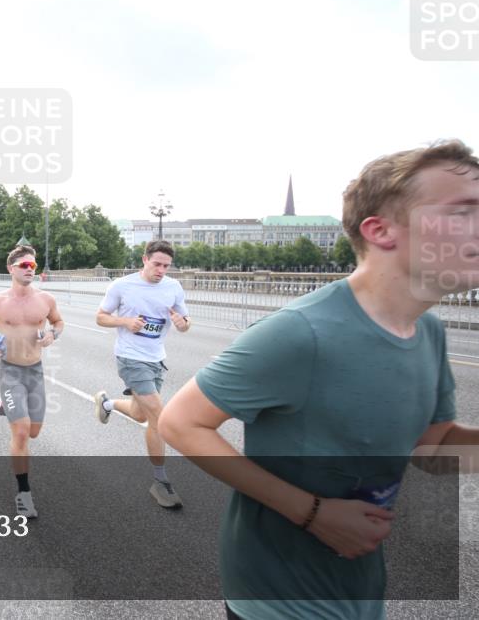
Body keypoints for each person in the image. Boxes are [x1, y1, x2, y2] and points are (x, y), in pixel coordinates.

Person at [159, 140, 479, 620]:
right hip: (277, 597)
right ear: (380, 231)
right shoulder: (302, 332)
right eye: (461, 213)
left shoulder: (428, 331)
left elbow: (431, 448)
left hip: (357, 589)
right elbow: (180, 423)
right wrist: (313, 513)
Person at [90, 239, 191, 509]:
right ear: (144, 259)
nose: (161, 270)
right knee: (159, 417)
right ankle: (160, 482)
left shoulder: (173, 287)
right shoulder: (122, 286)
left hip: (157, 359)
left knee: (140, 414)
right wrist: (125, 321)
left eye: (166, 266)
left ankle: (107, 403)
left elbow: (185, 322)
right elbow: (100, 316)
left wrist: (183, 323)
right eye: (157, 264)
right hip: (130, 358)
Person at [0, 245, 64, 518]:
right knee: (22, 432)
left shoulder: (45, 299)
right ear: (10, 269)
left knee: (34, 432)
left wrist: (52, 335)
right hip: (10, 371)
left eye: (32, 265)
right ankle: (24, 494)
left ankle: (2, 405)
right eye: (24, 265)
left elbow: (58, 322)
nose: (29, 269)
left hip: (35, 371)